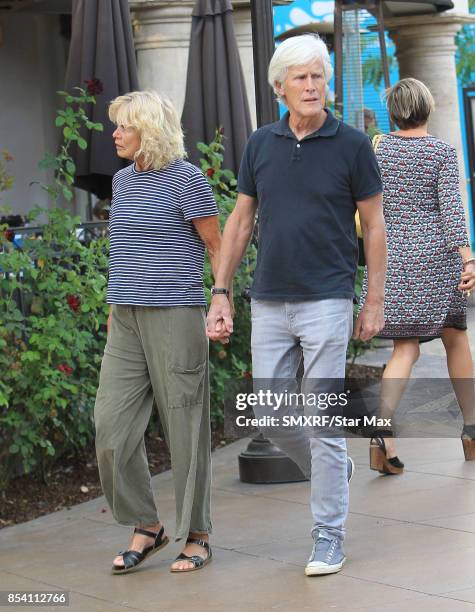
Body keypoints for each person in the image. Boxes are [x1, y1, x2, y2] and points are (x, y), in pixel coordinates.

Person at [207, 34, 387, 575]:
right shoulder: (260, 144)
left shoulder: (353, 144)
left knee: (321, 417)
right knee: (272, 413)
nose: (312, 86)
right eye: (301, 78)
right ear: (279, 87)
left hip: (328, 297)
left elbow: (375, 225)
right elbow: (239, 223)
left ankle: (329, 533)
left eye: (319, 76)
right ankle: (335, 472)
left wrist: (373, 297)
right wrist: (221, 291)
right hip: (268, 298)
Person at [94, 91, 221, 574]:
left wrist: (221, 300)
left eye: (124, 126)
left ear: (149, 128)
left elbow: (215, 243)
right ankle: (148, 525)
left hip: (175, 312)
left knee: (185, 427)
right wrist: (113, 307)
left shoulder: (187, 179)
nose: (116, 134)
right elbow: (122, 251)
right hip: (125, 316)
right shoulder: (123, 180)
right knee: (110, 426)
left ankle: (198, 534)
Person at [360, 78, 475, 474]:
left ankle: (382, 433)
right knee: (455, 339)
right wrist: (469, 260)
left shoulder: (377, 150)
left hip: (390, 259)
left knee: (404, 348)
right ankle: (472, 431)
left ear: (393, 111)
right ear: (428, 108)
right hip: (436, 259)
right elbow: (452, 212)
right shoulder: (441, 152)